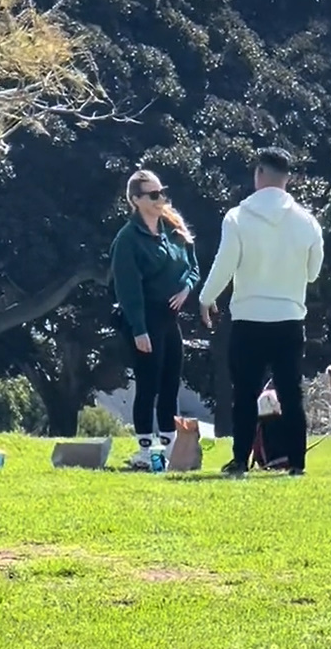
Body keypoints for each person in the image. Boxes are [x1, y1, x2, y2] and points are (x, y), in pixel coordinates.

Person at [198, 147, 324, 477]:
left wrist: (206, 297)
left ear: (258, 174)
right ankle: (296, 462)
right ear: (287, 179)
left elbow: (224, 265)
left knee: (245, 393)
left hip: (249, 318)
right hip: (289, 318)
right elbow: (313, 272)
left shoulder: (238, 217)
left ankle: (240, 459)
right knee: (290, 393)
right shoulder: (307, 221)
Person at [109, 169, 200, 470]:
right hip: (144, 315)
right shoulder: (128, 239)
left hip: (169, 317)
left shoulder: (173, 230)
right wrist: (138, 329)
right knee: (148, 383)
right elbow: (127, 289)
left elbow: (193, 267)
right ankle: (145, 448)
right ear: (136, 200)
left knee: (171, 379)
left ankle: (170, 444)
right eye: (152, 194)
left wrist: (186, 289)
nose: (160, 198)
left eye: (161, 192)